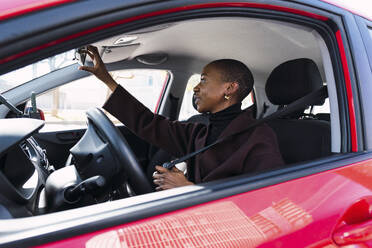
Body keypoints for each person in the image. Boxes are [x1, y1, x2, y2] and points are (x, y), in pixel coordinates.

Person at [79, 46, 284, 191]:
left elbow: (265, 200)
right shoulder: (199, 129)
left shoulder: (258, 137)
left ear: (229, 89)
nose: (196, 87)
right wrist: (107, 80)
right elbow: (149, 123)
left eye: (203, 80)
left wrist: (188, 188)